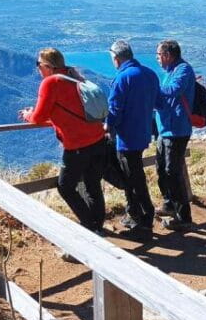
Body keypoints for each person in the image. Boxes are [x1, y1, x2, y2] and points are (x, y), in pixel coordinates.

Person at [18, 48, 106, 234]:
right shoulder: (73, 76)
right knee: (92, 185)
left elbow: (38, 117)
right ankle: (97, 228)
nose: (37, 69)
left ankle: (89, 227)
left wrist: (27, 114)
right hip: (98, 139)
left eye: (38, 65)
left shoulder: (50, 82)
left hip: (77, 145)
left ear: (48, 67)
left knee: (65, 186)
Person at [105, 40, 160, 235]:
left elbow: (115, 109)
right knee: (134, 175)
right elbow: (157, 101)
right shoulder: (149, 74)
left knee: (133, 177)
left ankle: (144, 220)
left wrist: (108, 127)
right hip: (143, 132)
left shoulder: (122, 78)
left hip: (126, 136)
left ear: (116, 58)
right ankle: (134, 213)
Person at [154, 39, 196, 230]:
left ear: (168, 55)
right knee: (162, 169)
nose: (157, 59)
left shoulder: (183, 70)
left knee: (173, 171)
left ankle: (183, 216)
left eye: (159, 55)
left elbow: (174, 90)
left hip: (177, 130)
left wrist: (151, 88)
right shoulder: (169, 72)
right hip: (165, 129)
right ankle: (169, 204)